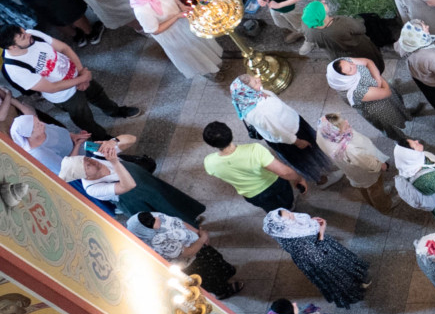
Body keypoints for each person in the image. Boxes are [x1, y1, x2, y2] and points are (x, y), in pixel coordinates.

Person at [3, 25, 136, 134]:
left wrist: (81, 72)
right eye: (23, 37)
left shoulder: (32, 34)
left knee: (98, 94)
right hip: (64, 95)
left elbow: (64, 48)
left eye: (24, 31)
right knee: (84, 118)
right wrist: (82, 78)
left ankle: (115, 111)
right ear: (12, 47)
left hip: (78, 74)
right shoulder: (15, 69)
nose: (28, 34)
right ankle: (101, 137)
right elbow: (52, 88)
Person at [68, 139, 204, 222]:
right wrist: (115, 162)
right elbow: (128, 185)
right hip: (138, 201)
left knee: (171, 198)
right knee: (164, 218)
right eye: (88, 166)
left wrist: (113, 141)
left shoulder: (98, 156)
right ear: (84, 175)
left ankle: (191, 216)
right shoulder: (93, 189)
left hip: (148, 184)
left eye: (87, 159)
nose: (93, 161)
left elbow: (131, 138)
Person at [263, 209, 369, 307]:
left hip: (315, 253)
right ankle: (354, 288)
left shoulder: (282, 232)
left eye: (289, 212)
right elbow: (319, 258)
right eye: (289, 218)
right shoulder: (300, 244)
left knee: (343, 270)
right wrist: (321, 231)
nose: (293, 216)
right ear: (283, 225)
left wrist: (310, 223)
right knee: (339, 275)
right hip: (323, 259)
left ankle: (356, 279)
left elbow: (300, 228)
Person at [128, 209, 237, 297]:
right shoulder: (157, 242)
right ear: (146, 231)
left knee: (215, 260)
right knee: (209, 276)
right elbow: (188, 253)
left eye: (153, 217)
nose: (157, 218)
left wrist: (197, 233)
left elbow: (178, 221)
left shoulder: (150, 217)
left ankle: (226, 273)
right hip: (192, 262)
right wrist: (203, 238)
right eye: (153, 222)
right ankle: (224, 291)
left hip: (198, 245)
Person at [202, 119, 305, 212]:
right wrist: (299, 178)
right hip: (274, 183)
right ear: (230, 134)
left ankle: (279, 216)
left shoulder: (209, 162)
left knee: (271, 208)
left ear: (211, 145)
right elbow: (284, 172)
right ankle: (290, 208)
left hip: (252, 194)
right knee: (286, 199)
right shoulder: (254, 150)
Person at [126, 0, 221, 78]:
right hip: (171, 33)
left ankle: (216, 58)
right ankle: (208, 71)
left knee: (200, 39)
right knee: (191, 51)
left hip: (181, 19)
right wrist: (176, 17)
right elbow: (155, 30)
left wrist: (181, 5)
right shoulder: (141, 11)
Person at [326, 54, 410, 145]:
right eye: (350, 69)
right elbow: (387, 92)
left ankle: (405, 115)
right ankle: (403, 141)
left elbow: (367, 61)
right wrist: (380, 79)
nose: (354, 65)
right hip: (379, 108)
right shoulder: (357, 92)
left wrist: (378, 80)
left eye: (350, 63)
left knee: (397, 105)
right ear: (345, 78)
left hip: (380, 92)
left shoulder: (341, 63)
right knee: (389, 125)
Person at [395, 21, 435, 124]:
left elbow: (397, 47)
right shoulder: (432, 57)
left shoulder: (407, 41)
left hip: (421, 78)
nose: (428, 26)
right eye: (424, 26)